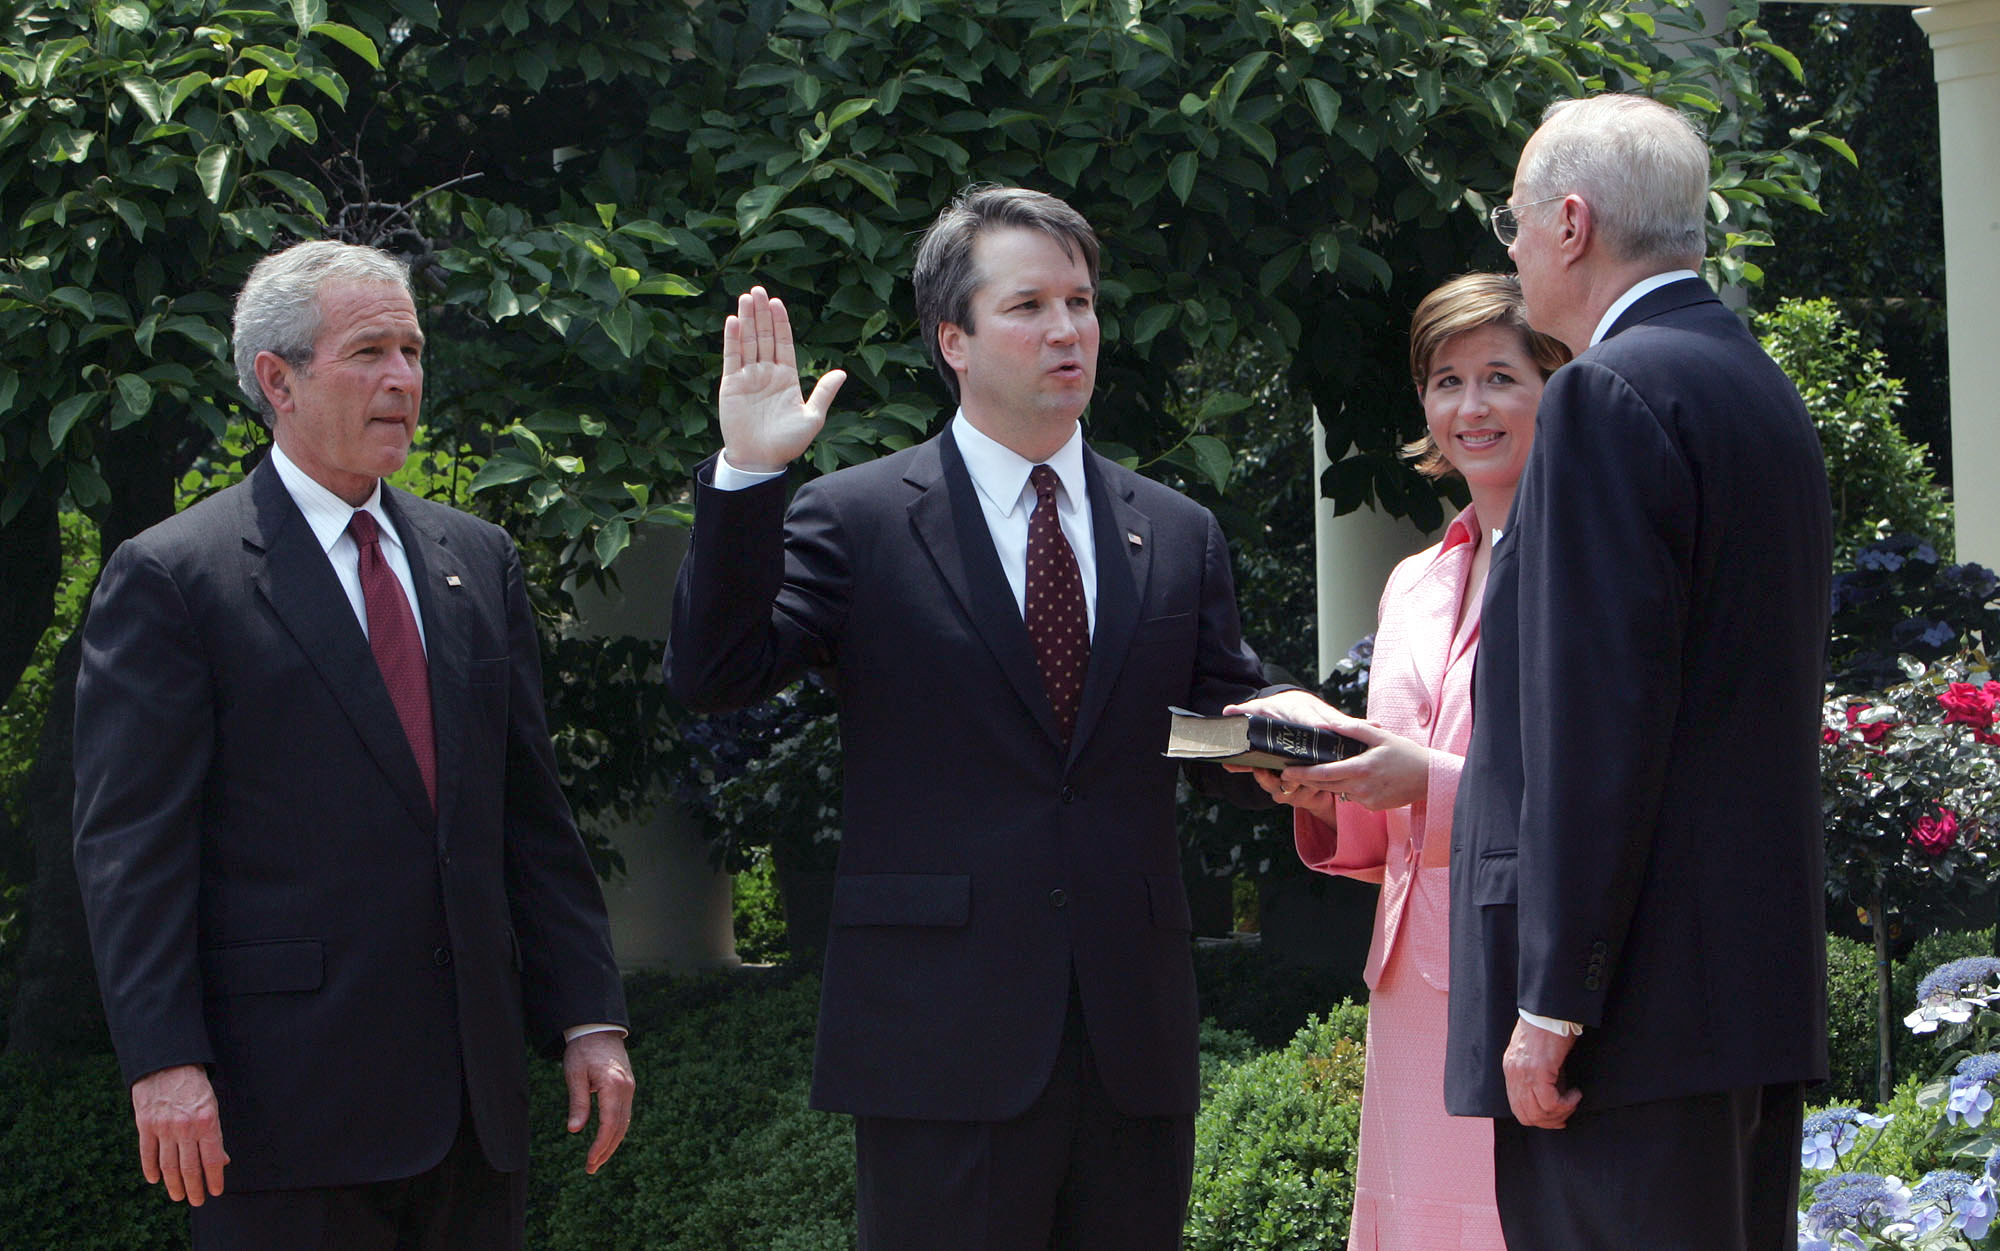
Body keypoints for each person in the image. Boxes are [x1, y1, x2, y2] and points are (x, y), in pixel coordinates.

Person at [666, 185, 1272, 1249]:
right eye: (1027, 305)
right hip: (936, 1038)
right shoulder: (854, 519)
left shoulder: (1173, 529)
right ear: (952, 338)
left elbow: (1192, 737)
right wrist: (750, 475)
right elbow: (716, 672)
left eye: (1080, 303)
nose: (1066, 331)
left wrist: (1285, 739)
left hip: (1129, 1037)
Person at [72, 240, 634, 1250]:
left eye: (413, 352)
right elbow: (131, 848)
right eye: (369, 351)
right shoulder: (175, 579)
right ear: (276, 379)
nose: (403, 381)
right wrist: (163, 1061)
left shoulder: (477, 558)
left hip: (470, 1106)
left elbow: (527, 815)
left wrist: (587, 1015)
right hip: (281, 1107)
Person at [1446, 94, 1833, 1247]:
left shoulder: (1604, 397)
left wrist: (1551, 999)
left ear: (1569, 223)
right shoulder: (1752, 387)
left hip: (1629, 1020)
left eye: (1512, 220)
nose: (1507, 250)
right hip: (1734, 999)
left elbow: (1592, 727)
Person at [1227, 273, 1569, 1248]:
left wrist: (1432, 781)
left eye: (1498, 377)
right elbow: (1399, 821)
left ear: (1557, 384)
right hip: (1408, 990)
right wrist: (1321, 787)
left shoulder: (1590, 561)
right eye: (1443, 379)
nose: (1467, 407)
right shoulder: (1414, 582)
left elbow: (1602, 789)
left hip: (1531, 970)